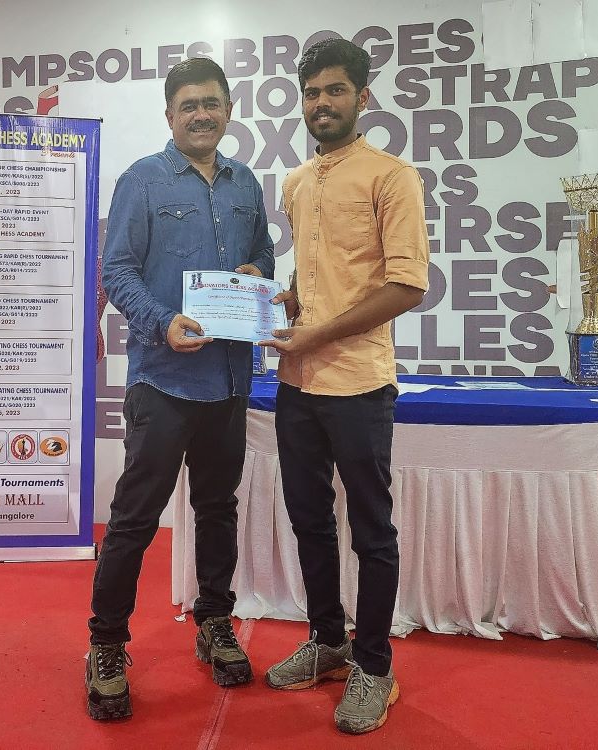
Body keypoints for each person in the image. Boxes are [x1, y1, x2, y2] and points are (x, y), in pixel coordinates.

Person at [86, 56, 275, 720]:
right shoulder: (141, 180)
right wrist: (162, 322)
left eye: (211, 103)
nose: (201, 115)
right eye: (189, 105)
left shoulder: (245, 183)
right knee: (135, 519)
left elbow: (265, 254)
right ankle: (106, 643)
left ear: (228, 110)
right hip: (163, 382)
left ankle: (214, 622)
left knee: (217, 509)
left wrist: (257, 271)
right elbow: (116, 270)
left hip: (228, 380)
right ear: (170, 115)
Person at [259, 39, 430, 735]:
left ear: (363, 97)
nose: (321, 104)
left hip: (359, 383)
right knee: (308, 519)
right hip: (297, 382)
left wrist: (318, 333)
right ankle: (329, 641)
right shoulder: (297, 183)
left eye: (335, 91)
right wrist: (281, 302)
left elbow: (407, 286)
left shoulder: (393, 177)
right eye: (311, 93)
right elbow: (316, 282)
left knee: (372, 530)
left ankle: (375, 665)